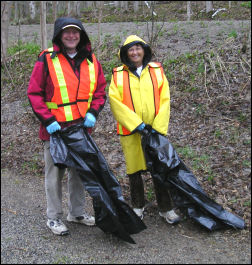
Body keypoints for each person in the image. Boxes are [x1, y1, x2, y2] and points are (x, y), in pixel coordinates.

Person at [27, 17, 107, 235]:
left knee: (80, 173)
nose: (71, 36)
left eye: (75, 32)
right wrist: (48, 120)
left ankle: (77, 212)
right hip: (55, 130)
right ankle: (53, 217)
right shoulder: (46, 59)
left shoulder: (91, 60)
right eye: (66, 33)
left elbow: (100, 92)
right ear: (58, 35)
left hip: (82, 128)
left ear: (81, 36)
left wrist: (93, 112)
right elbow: (34, 93)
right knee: (54, 175)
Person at [108, 35, 181, 224]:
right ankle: (137, 206)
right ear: (125, 53)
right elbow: (115, 103)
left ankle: (166, 209)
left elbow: (165, 99)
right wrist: (136, 124)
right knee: (134, 170)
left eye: (138, 48)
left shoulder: (157, 71)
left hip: (155, 131)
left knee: (159, 167)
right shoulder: (118, 74)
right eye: (130, 50)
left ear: (144, 50)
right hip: (130, 131)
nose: (134, 52)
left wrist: (157, 127)